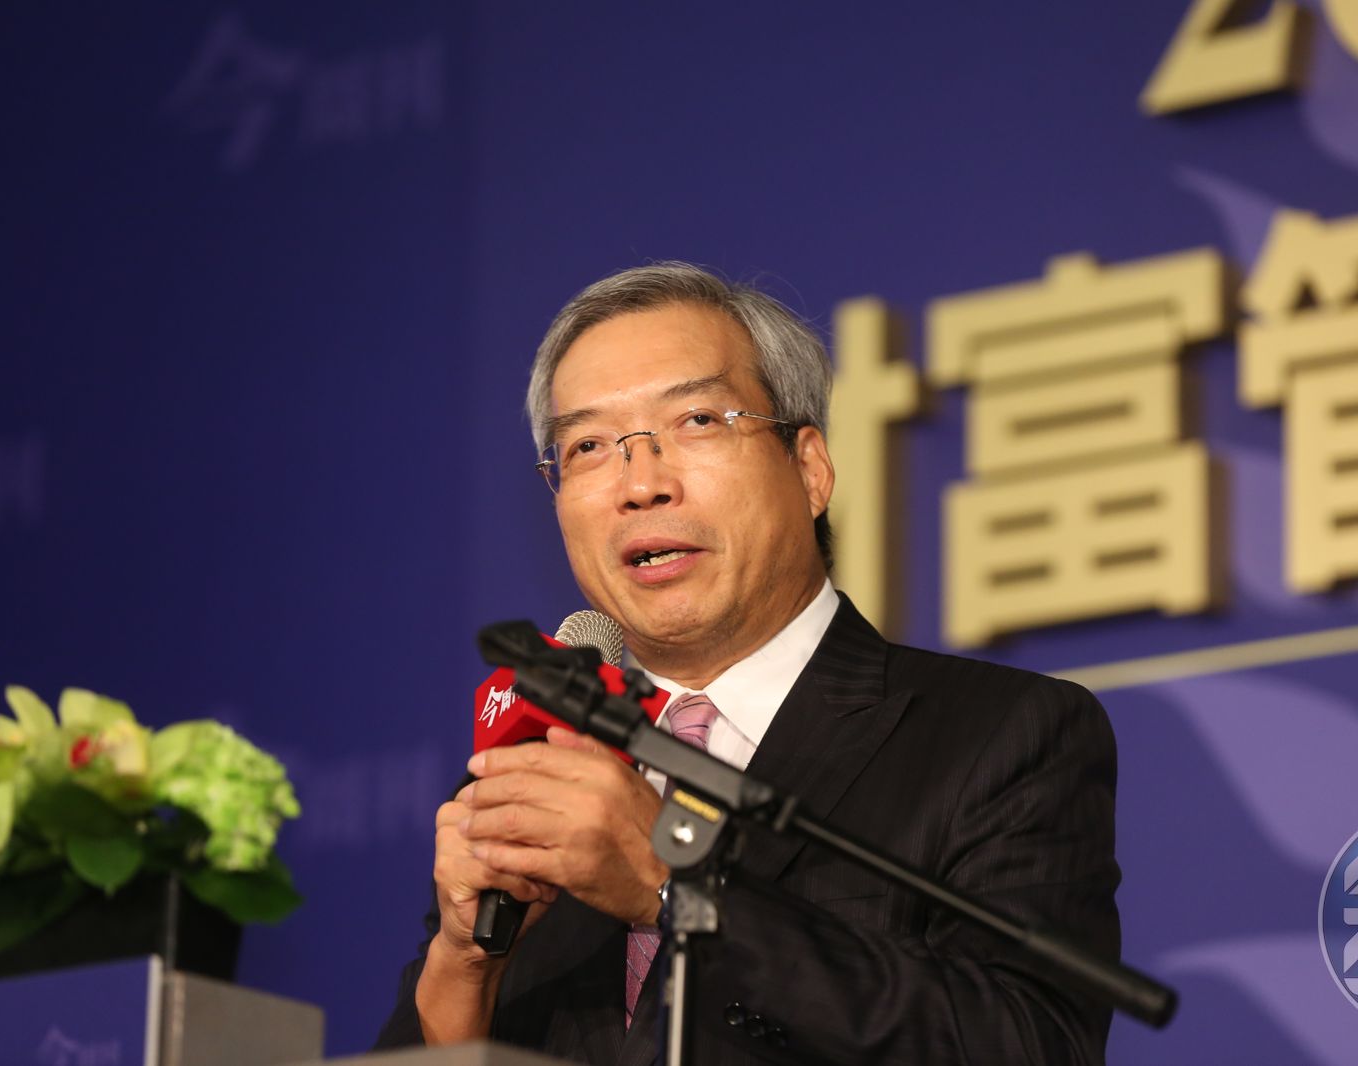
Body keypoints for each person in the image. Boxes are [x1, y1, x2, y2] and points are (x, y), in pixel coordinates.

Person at [376, 263, 1121, 1064]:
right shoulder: (538, 769)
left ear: (810, 469)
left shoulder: (1000, 734)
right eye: (587, 446)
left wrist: (673, 887)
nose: (640, 484)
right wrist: (464, 966)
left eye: (696, 420)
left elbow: (1028, 1043)